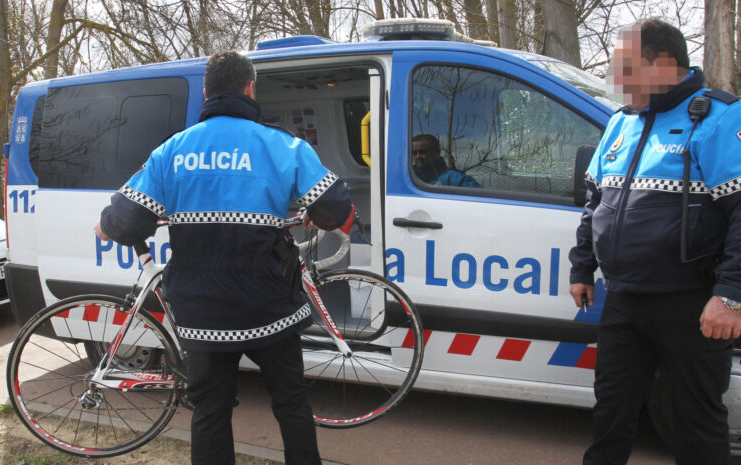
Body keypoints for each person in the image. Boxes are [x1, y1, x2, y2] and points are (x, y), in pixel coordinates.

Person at [94, 51, 352, 465]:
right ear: (250, 88)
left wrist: (105, 226)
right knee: (291, 404)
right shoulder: (282, 145)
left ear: (205, 92)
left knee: (210, 411)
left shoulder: (172, 151)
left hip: (203, 313)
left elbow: (123, 224)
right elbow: (335, 210)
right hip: (270, 308)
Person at [568, 19, 741, 465]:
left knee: (695, 420)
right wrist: (583, 268)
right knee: (611, 413)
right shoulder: (621, 122)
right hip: (625, 299)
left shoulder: (723, 118)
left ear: (664, 65)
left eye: (625, 69)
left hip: (691, 302)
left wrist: (731, 297)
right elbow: (595, 201)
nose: (616, 81)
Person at [412, 134, 482, 187]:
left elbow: (482, 200)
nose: (418, 156)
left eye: (423, 152)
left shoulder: (456, 179)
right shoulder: (408, 178)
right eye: (414, 153)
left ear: (437, 152)